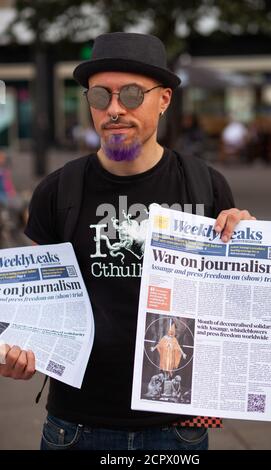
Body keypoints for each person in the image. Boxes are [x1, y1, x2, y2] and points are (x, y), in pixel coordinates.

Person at [0, 32, 255, 451]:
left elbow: (231, 307)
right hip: (75, 426)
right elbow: (35, 306)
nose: (114, 109)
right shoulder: (57, 190)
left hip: (181, 426)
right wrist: (21, 349)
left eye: (132, 94)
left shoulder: (206, 184)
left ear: (165, 99)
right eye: (100, 96)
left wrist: (243, 239)